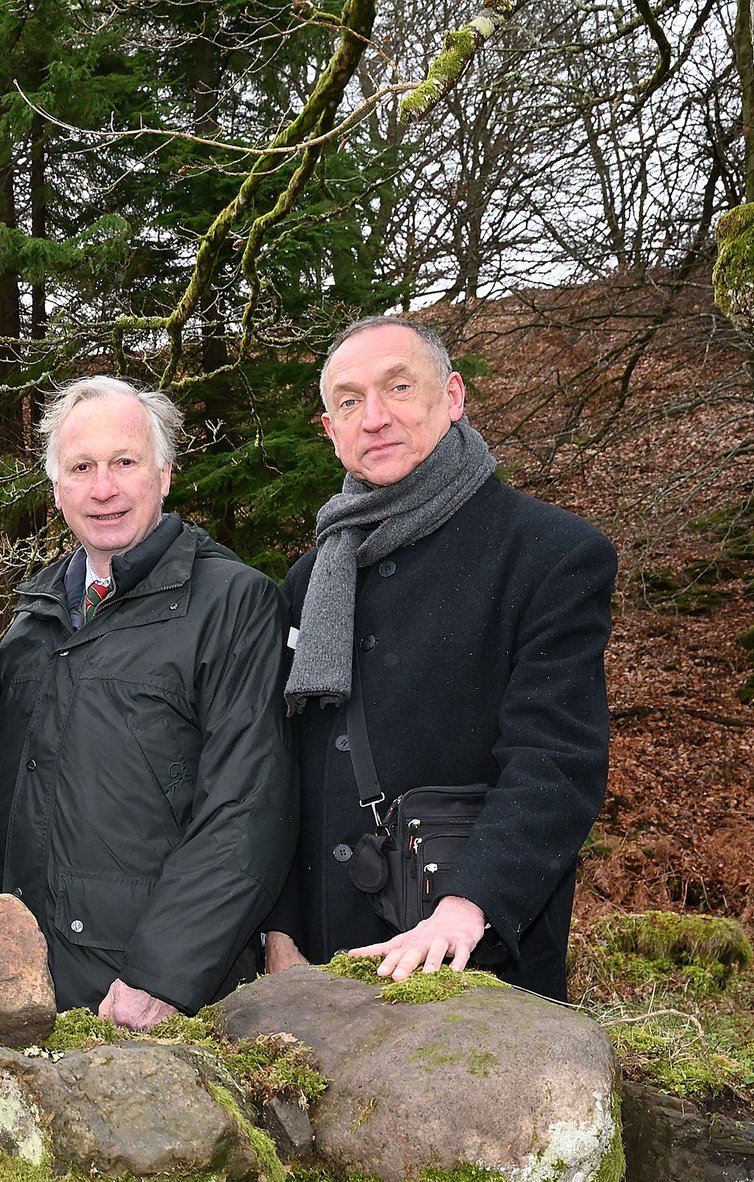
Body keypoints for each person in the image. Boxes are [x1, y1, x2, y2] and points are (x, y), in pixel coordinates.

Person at [263, 317, 615, 999]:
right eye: (348, 401)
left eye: (399, 386)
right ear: (329, 429)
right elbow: (287, 766)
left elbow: (556, 761)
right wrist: (281, 931)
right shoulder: (313, 578)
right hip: (325, 965)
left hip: (476, 963)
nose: (375, 417)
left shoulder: (548, 554)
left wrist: (468, 905)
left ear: (451, 396)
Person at [0, 378, 294, 1026]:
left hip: (155, 1003)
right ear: (57, 488)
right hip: (28, 994)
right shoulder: (31, 618)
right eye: (82, 467)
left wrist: (163, 973)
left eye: (124, 462)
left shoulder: (234, 604)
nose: (104, 488)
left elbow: (247, 808)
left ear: (163, 473)